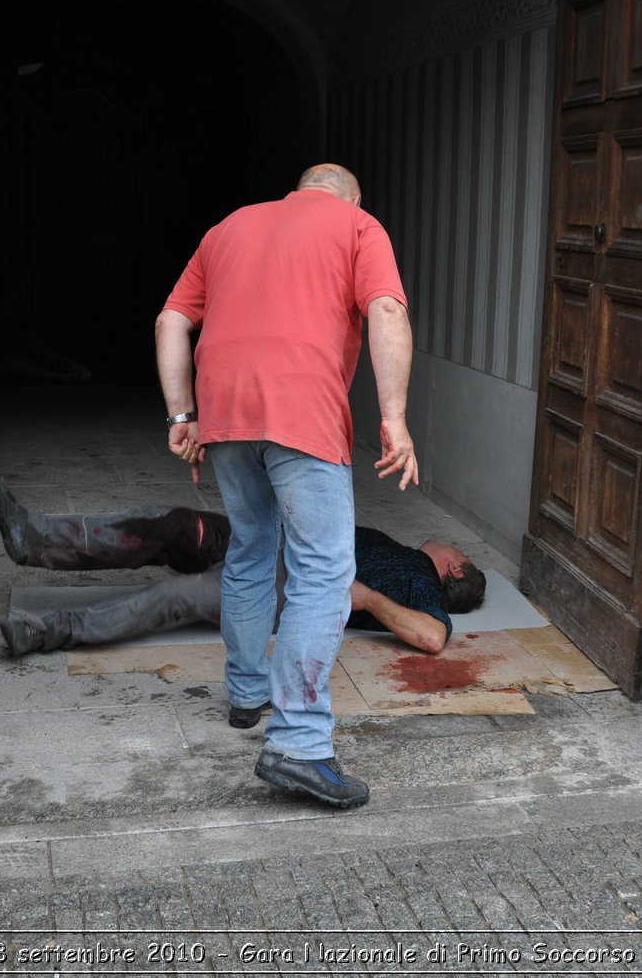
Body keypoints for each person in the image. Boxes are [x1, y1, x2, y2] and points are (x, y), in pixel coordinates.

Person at [155, 163, 419, 809]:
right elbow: (386, 308)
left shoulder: (230, 227)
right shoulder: (357, 225)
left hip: (226, 406)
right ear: (349, 197)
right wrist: (394, 418)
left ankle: (247, 692)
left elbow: (170, 321)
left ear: (298, 190)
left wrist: (183, 416)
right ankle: (299, 741)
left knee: (249, 544)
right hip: (302, 406)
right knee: (322, 570)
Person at [0, 477, 485, 659]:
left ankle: (48, 632)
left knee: (176, 598)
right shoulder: (404, 552)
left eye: (457, 551)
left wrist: (368, 598)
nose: (450, 544)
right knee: (171, 527)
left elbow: (432, 638)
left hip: (281, 587)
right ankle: (33, 538)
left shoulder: (422, 582)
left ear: (454, 569)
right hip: (263, 539)